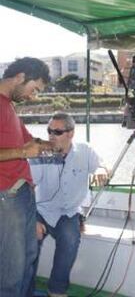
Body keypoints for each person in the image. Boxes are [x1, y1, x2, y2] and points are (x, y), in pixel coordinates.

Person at [29, 113, 109, 297]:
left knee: (70, 239)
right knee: (30, 243)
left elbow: (102, 164)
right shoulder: (40, 153)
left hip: (69, 212)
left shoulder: (85, 150)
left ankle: (56, 290)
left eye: (57, 132)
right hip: (41, 209)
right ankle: (25, 289)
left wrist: (102, 171)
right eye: (49, 131)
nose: (51, 136)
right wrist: (32, 219)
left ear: (71, 133)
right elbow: (29, 186)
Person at [0, 57, 52, 297]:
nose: (34, 96)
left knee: (28, 257)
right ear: (20, 77)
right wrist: (23, 152)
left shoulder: (8, 105)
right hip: (7, 195)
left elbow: (27, 140)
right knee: (12, 267)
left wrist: (49, 144)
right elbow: (22, 148)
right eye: (35, 89)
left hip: (22, 194)